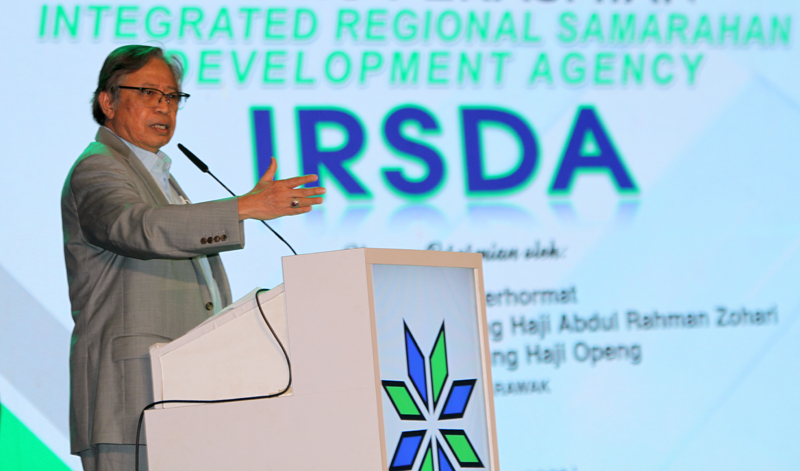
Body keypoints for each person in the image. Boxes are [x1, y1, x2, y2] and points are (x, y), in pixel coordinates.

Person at [61, 45, 325, 471]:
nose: (163, 106)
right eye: (147, 92)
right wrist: (243, 207)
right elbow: (138, 228)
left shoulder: (160, 176)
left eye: (171, 96)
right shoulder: (99, 167)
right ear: (108, 101)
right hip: (133, 399)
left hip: (180, 393)